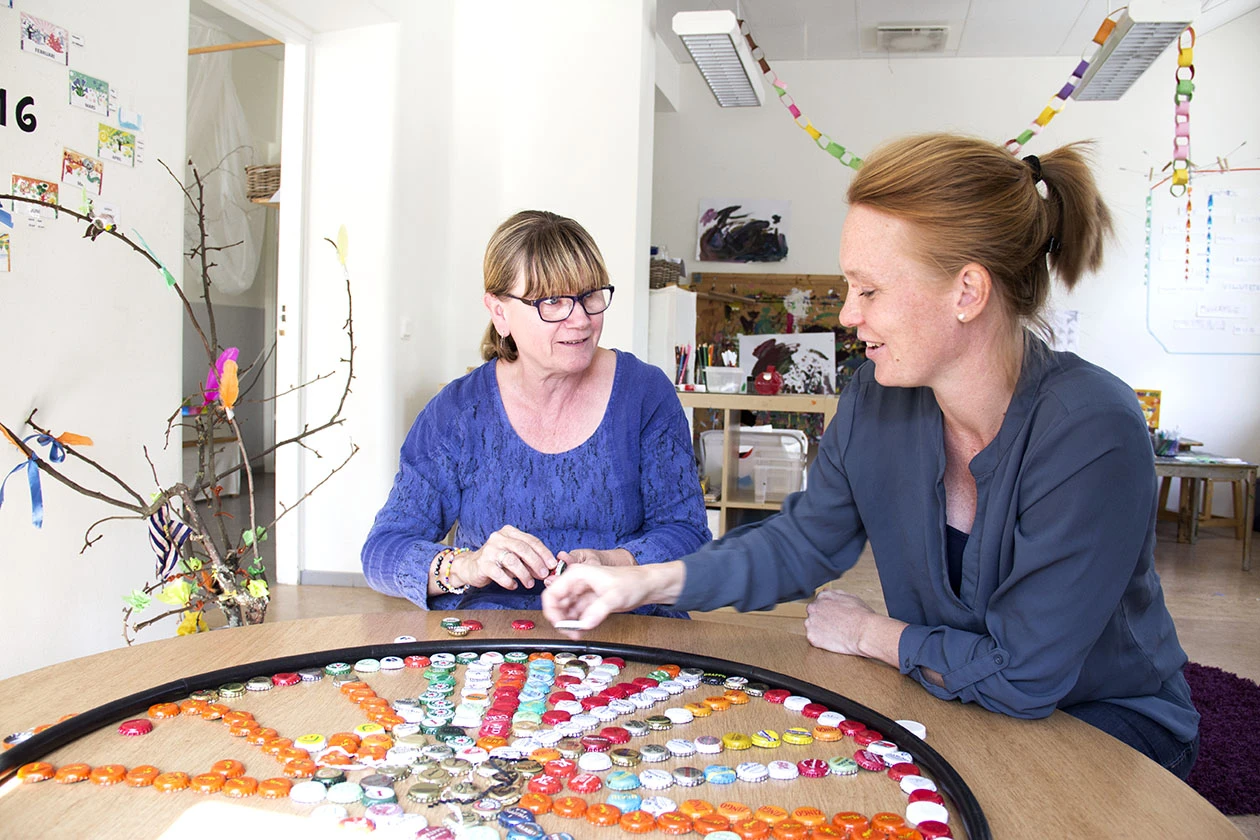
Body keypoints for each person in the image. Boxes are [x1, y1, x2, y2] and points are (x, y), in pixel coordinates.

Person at [543, 134, 1201, 779]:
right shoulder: (877, 398)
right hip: (953, 694)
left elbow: (1025, 676)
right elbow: (801, 545)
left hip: (1103, 726)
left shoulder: (1092, 430)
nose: (849, 315)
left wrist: (871, 636)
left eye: (870, 290)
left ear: (967, 292)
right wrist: (644, 581)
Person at [362, 210, 710, 613]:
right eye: (553, 302)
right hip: (492, 643)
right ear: (500, 312)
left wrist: (615, 564)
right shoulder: (458, 412)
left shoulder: (644, 395)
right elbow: (383, 551)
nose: (580, 320)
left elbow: (688, 534)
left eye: (590, 296)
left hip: (627, 630)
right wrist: (465, 566)